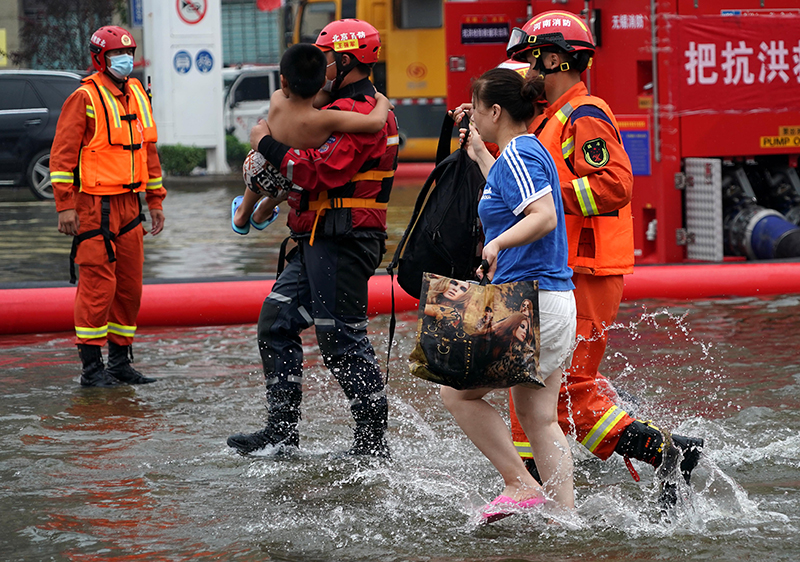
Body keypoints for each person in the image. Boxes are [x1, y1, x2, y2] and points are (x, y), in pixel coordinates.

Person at [504, 10, 703, 499]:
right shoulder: (551, 118)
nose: (527, 70)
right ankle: (532, 495)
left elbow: (615, 183)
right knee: (527, 389)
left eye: (531, 59)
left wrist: (549, 196)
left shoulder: (583, 114)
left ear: (554, 58)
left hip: (587, 270)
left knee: (567, 387)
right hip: (562, 270)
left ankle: (669, 452)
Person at [226, 19, 399, 458]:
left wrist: (264, 143)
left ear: (345, 60)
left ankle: (372, 445)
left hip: (345, 238)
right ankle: (281, 434)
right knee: (276, 323)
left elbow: (316, 171)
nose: (320, 70)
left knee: (341, 339)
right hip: (317, 236)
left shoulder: (363, 114)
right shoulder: (336, 106)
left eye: (326, 60)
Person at [439, 67, 577, 520]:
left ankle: (519, 483)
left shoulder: (519, 152)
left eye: (477, 110)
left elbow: (542, 215)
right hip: (556, 301)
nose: (473, 118)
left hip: (528, 301)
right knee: (539, 418)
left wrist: (496, 244)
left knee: (456, 393)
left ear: (495, 110)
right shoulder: (524, 153)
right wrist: (480, 154)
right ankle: (566, 519)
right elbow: (508, 188)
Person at [50, 25, 166, 387]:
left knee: (130, 287)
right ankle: (91, 368)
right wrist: (65, 207)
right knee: (98, 286)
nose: (125, 60)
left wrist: (156, 201)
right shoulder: (84, 98)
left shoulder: (136, 93)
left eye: (129, 53)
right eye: (118, 55)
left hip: (131, 206)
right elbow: (61, 157)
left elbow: (147, 151)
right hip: (93, 206)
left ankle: (119, 362)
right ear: (100, 58)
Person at [231, 43, 392, 234]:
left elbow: (308, 99)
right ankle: (260, 215)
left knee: (266, 158)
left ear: (283, 82)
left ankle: (242, 215)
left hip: (255, 170)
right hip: (286, 185)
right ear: (324, 80)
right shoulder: (324, 119)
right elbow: (376, 122)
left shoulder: (276, 99)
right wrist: (381, 100)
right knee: (291, 169)